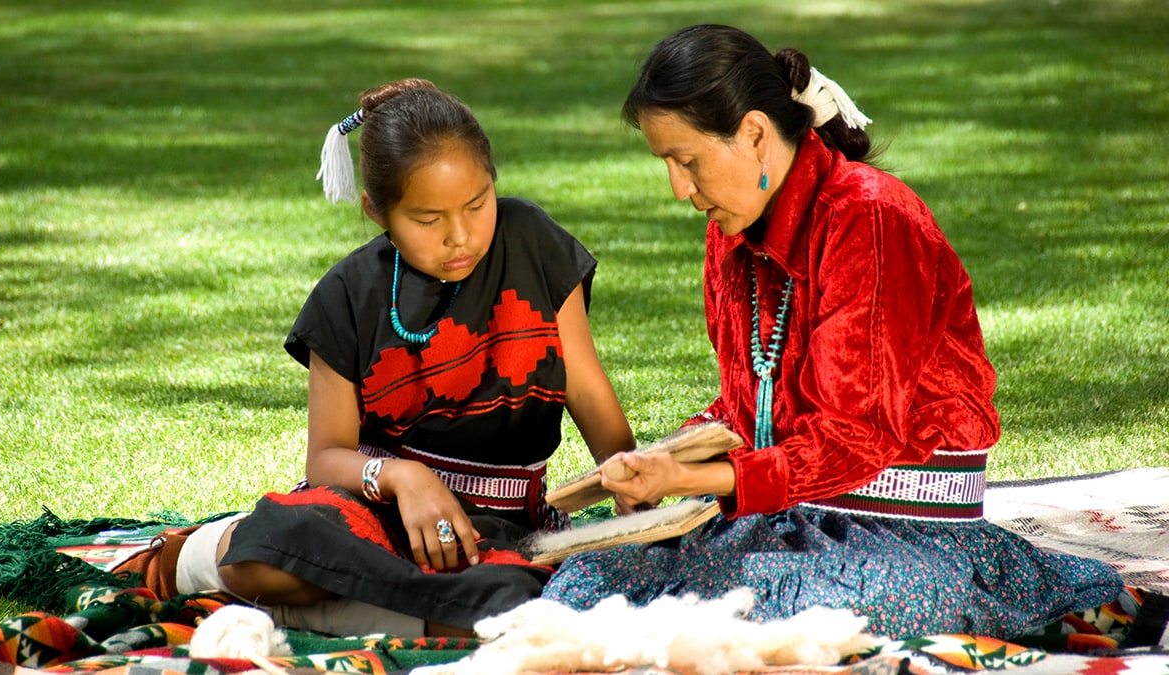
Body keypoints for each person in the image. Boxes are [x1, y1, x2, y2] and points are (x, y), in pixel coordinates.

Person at [541, 24, 1135, 641]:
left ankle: (1020, 586)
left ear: (754, 134)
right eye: (667, 164)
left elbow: (859, 436)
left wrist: (693, 480)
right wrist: (666, 458)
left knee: (798, 619)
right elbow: (751, 407)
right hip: (784, 514)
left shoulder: (870, 219)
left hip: (907, 530)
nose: (679, 190)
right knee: (588, 584)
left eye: (688, 161)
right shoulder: (730, 234)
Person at [117, 78, 636, 637]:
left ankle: (299, 612)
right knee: (271, 554)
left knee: (510, 609)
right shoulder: (348, 296)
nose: (459, 235)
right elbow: (327, 458)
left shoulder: (533, 243)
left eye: (477, 203)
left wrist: (634, 482)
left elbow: (583, 387)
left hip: (497, 525)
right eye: (428, 220)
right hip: (376, 509)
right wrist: (403, 477)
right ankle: (187, 558)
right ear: (376, 211)